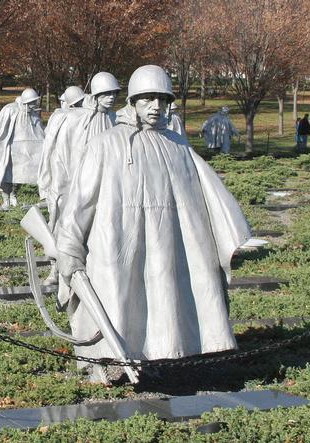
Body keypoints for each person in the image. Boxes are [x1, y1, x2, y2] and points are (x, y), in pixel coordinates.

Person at [55, 65, 251, 383]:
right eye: (147, 99)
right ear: (132, 101)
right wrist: (69, 247)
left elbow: (205, 199)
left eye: (162, 99)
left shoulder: (177, 146)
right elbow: (81, 202)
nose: (156, 106)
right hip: (119, 241)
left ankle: (167, 356)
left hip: (167, 244)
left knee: (166, 301)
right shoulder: (107, 144)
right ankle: (110, 363)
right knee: (120, 301)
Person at [37, 85, 87, 285]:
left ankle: (73, 271)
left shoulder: (94, 119)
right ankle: (55, 270)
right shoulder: (60, 118)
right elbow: (48, 151)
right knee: (56, 224)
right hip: (61, 181)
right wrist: (47, 182)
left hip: (81, 180)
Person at [0, 88, 45, 209]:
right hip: (10, 149)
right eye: (32, 102)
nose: (34, 105)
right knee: (5, 175)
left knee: (22, 175)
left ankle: (14, 195)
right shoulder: (10, 109)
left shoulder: (33, 114)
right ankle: (6, 200)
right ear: (26, 102)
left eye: (35, 102)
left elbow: (40, 131)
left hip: (27, 151)